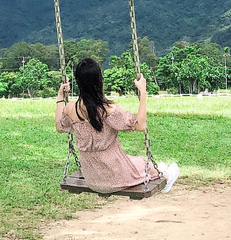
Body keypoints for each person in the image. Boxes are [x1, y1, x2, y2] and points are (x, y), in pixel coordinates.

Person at [55, 57, 179, 195]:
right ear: (99, 80)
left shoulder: (71, 109)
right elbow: (140, 125)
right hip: (116, 176)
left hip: (93, 179)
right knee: (143, 162)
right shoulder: (107, 109)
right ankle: (166, 177)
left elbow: (59, 127)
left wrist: (60, 95)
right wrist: (143, 93)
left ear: (78, 82)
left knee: (138, 162)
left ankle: (158, 170)